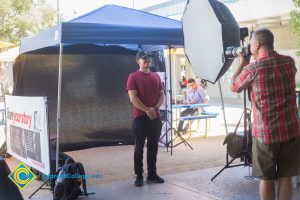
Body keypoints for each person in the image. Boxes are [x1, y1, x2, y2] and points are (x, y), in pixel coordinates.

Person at [231, 28, 300, 200]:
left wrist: (243, 62)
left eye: (252, 44)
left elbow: (234, 86)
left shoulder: (253, 68)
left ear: (257, 44)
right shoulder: (289, 62)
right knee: (286, 177)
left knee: (267, 179)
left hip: (265, 135)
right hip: (291, 131)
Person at [126, 50, 165, 187]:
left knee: (153, 147)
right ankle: (139, 176)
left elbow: (161, 95)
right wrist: (146, 110)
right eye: (144, 59)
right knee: (139, 147)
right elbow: (133, 97)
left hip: (155, 117)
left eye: (148, 58)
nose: (147, 60)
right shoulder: (133, 77)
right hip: (140, 118)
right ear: (138, 61)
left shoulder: (155, 76)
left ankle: (152, 174)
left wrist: (155, 108)